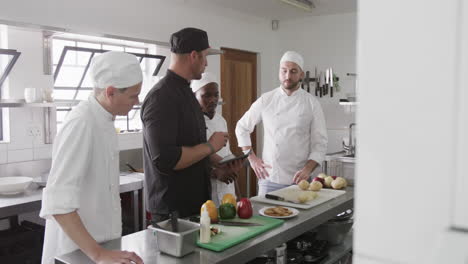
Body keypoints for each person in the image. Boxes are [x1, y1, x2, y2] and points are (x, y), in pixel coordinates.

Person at [40, 51, 144, 264]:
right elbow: (58, 204)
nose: (137, 101)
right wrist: (98, 253)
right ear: (110, 92)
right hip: (77, 252)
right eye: (133, 95)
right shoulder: (81, 122)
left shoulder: (104, 120)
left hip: (100, 248)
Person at [141, 28, 233, 223]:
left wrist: (219, 164)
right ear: (193, 56)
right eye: (205, 57)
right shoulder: (161, 98)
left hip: (195, 205)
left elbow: (193, 147)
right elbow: (166, 159)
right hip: (173, 210)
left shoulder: (187, 94)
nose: (206, 63)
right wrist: (210, 146)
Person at [235, 51, 328, 195]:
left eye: (293, 71)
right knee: (266, 216)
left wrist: (308, 169)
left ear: (301, 74)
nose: (288, 76)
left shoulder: (311, 103)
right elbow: (242, 127)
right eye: (284, 71)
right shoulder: (267, 99)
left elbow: (320, 143)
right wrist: (252, 158)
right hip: (269, 179)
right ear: (279, 72)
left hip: (300, 181)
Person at [191, 72, 243, 205]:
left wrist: (240, 197)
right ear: (194, 96)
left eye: (216, 95)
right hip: (205, 195)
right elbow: (192, 161)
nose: (213, 100)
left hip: (227, 193)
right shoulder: (191, 123)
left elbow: (227, 155)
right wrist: (215, 173)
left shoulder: (221, 121)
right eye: (206, 95)